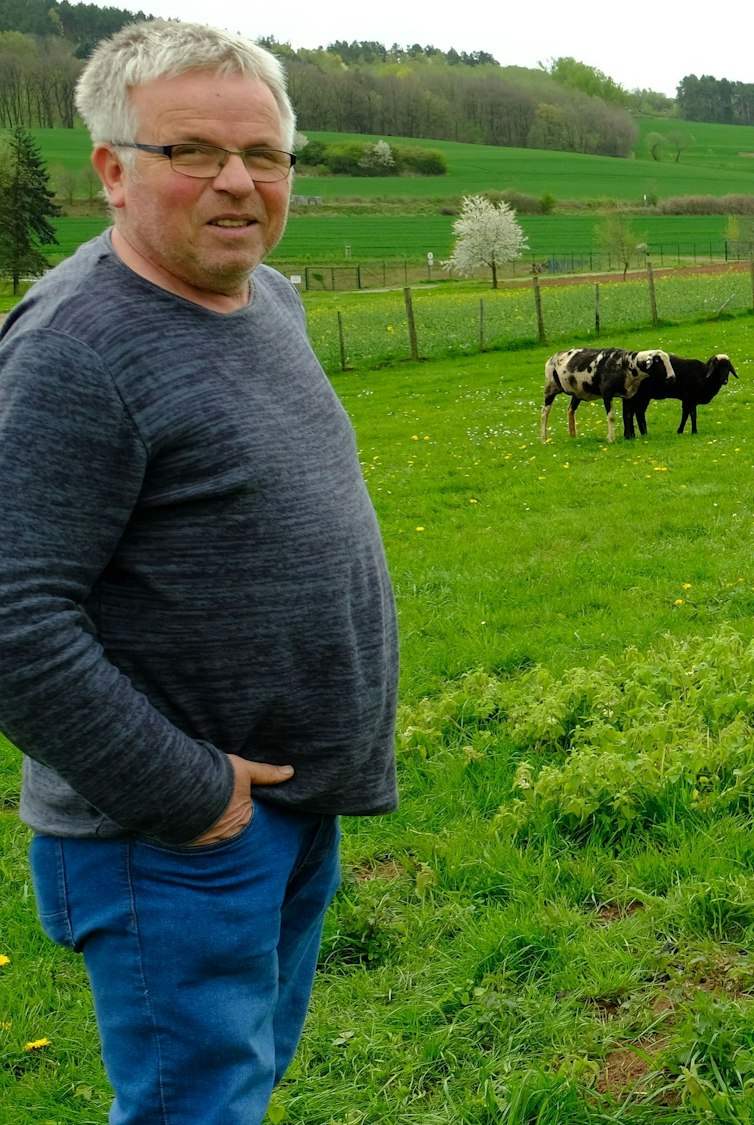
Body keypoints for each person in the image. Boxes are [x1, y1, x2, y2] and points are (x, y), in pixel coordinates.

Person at [0, 20, 398, 1125]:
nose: (236, 183)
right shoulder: (76, 349)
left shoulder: (264, 299)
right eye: (192, 152)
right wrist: (189, 794)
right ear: (112, 170)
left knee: (238, 1088)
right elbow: (11, 618)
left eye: (262, 155)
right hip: (167, 835)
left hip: (283, 804)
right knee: (196, 1110)